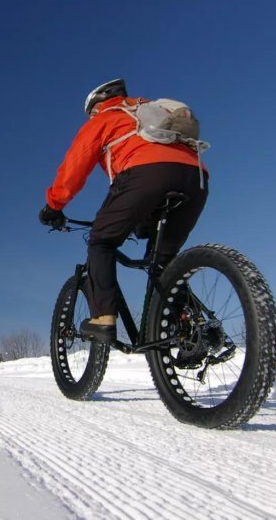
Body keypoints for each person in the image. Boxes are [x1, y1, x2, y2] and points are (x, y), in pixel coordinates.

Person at [39, 79, 209, 343]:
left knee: (101, 241)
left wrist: (54, 206)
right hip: (195, 177)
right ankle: (191, 324)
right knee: (163, 262)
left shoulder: (105, 119)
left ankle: (103, 318)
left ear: (96, 107)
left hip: (146, 175)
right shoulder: (151, 115)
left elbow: (74, 167)